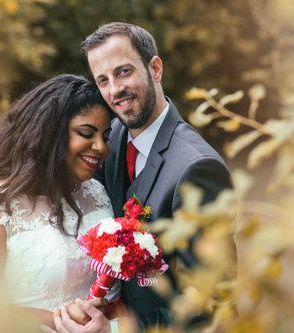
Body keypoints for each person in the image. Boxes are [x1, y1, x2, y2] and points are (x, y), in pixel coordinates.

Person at [48, 22, 233, 332]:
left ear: (155, 68)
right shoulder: (110, 139)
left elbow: (212, 304)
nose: (114, 90)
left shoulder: (197, 168)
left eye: (124, 72)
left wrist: (117, 329)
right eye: (103, 80)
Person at [0, 74, 120, 329]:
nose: (100, 147)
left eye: (106, 136)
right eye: (86, 133)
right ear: (50, 133)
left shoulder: (97, 193)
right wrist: (57, 321)